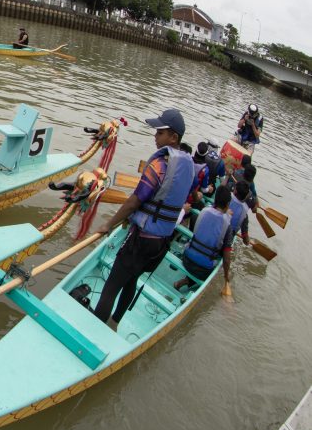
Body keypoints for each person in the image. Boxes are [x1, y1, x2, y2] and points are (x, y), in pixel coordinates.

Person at [92, 108, 194, 328]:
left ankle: (93, 334)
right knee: (131, 280)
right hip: (160, 242)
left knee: (112, 286)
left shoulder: (159, 165)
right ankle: (114, 323)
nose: (155, 136)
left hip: (142, 240)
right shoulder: (187, 166)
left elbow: (134, 201)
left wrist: (109, 224)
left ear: (173, 137)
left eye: (160, 133)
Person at [174, 185, 233, 292]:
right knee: (219, 257)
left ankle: (185, 280)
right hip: (203, 270)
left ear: (215, 200)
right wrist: (226, 276)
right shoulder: (227, 226)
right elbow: (226, 259)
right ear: (228, 204)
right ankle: (187, 281)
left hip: (186, 259)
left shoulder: (204, 211)